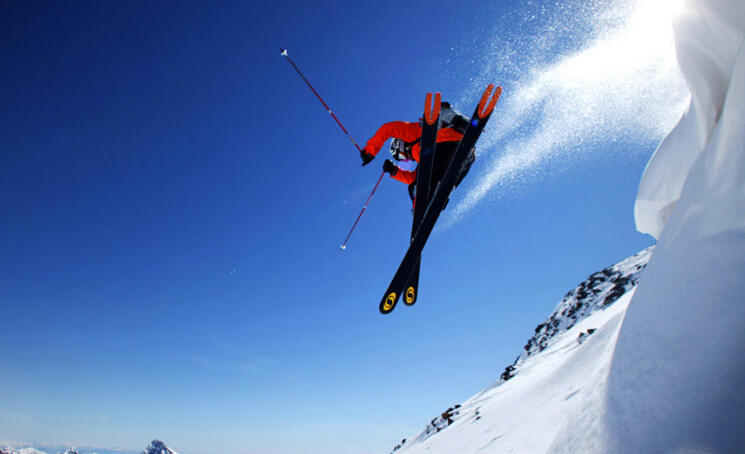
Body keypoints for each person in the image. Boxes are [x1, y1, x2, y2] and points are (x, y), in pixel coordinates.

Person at [360, 102, 476, 206]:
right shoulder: (421, 157)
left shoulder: (414, 133)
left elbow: (389, 128)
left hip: (446, 145)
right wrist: (393, 171)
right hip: (467, 156)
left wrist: (370, 151)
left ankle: (426, 196)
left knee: (420, 185)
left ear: (400, 145)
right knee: (428, 181)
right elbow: (414, 177)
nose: (406, 159)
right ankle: (437, 197)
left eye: (400, 156)